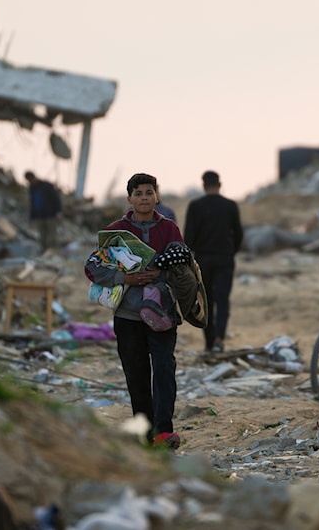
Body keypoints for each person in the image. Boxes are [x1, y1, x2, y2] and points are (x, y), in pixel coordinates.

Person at [85, 172, 184, 450]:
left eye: (149, 192)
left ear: (157, 196)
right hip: (128, 316)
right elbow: (92, 268)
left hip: (162, 314)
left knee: (164, 369)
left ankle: (164, 432)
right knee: (136, 374)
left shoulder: (169, 230)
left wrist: (161, 271)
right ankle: (144, 432)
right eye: (138, 193)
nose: (144, 198)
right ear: (129, 198)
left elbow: (185, 265)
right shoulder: (115, 231)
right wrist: (125, 279)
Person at [184, 170, 243, 353]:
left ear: (203, 185)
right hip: (224, 258)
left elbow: (188, 237)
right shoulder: (230, 205)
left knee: (206, 301)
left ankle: (209, 342)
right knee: (223, 299)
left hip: (202, 259)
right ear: (220, 184)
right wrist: (231, 252)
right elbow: (239, 234)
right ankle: (219, 338)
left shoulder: (195, 206)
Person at [24, 171, 62, 252]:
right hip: (40, 216)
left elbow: (56, 199)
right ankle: (45, 254)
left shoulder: (46, 186)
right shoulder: (32, 189)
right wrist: (32, 218)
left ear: (34, 177)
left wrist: (58, 212)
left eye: (31, 180)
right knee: (42, 238)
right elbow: (33, 204)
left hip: (50, 215)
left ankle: (53, 252)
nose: (30, 182)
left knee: (51, 237)